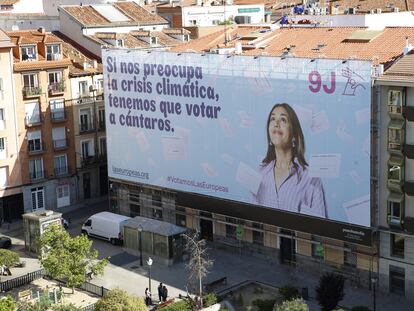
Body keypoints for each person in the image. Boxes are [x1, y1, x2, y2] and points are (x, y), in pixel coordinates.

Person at [251, 103, 328, 218]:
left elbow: (322, 230)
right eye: (273, 119)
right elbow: (253, 217)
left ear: (294, 136)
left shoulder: (311, 179)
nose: (276, 124)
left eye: (283, 120)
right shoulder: (260, 173)